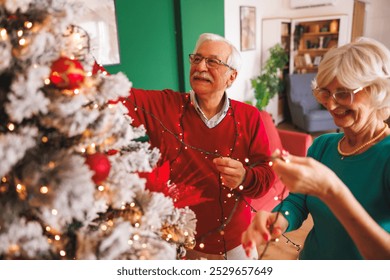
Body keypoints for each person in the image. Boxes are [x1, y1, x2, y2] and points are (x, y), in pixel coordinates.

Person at [122, 33, 277, 259]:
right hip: (179, 242)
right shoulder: (166, 106)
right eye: (196, 59)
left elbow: (267, 175)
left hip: (236, 242)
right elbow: (116, 94)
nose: (200, 66)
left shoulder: (249, 117)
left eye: (212, 61)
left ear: (231, 77)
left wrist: (245, 178)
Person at [242, 37, 390, 260]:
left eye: (343, 93)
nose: (330, 104)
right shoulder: (322, 146)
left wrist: (332, 191)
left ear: (377, 91)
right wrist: (278, 220)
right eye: (325, 93)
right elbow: (298, 201)